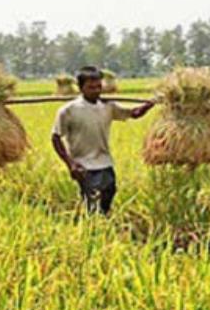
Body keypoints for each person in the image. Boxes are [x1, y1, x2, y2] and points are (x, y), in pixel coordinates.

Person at [51, 66, 155, 215]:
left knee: (108, 196)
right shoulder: (68, 110)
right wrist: (71, 163)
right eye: (91, 87)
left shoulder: (108, 106)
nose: (96, 90)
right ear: (81, 88)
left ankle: (100, 225)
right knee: (93, 203)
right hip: (83, 165)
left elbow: (133, 113)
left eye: (98, 86)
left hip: (105, 162)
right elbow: (55, 137)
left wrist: (147, 105)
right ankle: (92, 230)